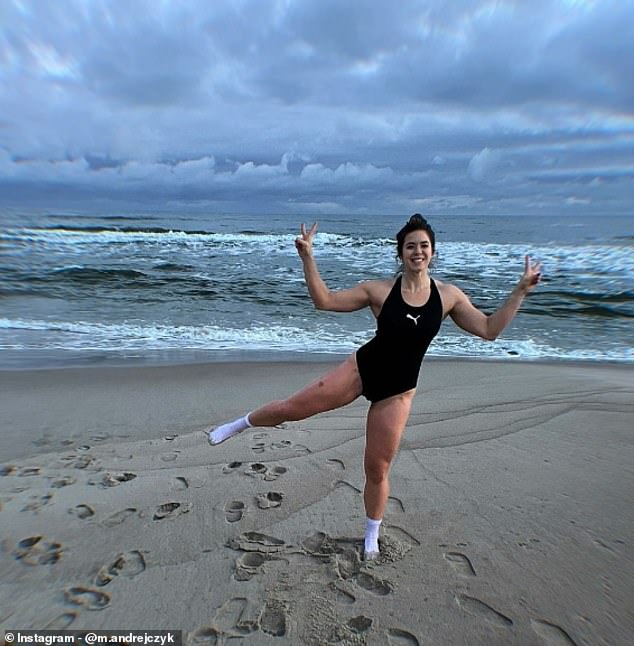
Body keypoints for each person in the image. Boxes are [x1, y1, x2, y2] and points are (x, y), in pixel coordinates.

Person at [207, 214, 542, 560]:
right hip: (362, 369)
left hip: (397, 391)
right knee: (291, 409)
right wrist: (307, 256)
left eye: (424, 246)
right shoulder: (379, 290)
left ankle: (371, 534)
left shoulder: (449, 297)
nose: (418, 251)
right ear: (400, 253)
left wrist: (519, 291)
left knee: (376, 468)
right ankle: (239, 424)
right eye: (410, 246)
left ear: (433, 252)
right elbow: (324, 301)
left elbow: (489, 329)